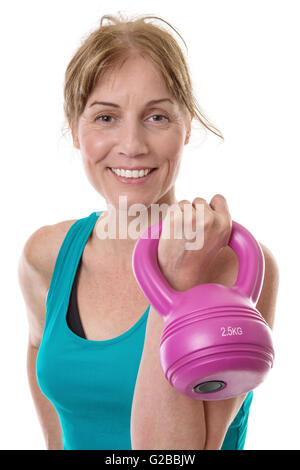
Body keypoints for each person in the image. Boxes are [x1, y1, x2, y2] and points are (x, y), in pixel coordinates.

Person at [18, 13, 279, 450]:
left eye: (156, 117)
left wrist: (174, 280)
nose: (133, 144)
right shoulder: (45, 256)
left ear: (187, 125)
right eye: (105, 118)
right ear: (74, 128)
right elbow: (38, 350)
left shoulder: (237, 267)